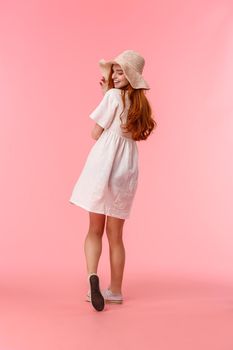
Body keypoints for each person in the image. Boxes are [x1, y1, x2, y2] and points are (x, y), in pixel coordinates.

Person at [69, 50, 157, 311]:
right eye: (114, 71)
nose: (116, 76)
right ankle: (116, 290)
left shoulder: (111, 96)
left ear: (130, 76)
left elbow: (95, 133)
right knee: (116, 235)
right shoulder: (140, 103)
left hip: (103, 165)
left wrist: (106, 94)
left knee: (94, 229)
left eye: (121, 72)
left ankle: (92, 278)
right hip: (127, 168)